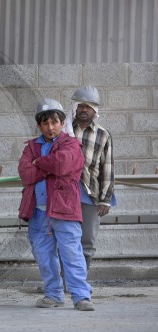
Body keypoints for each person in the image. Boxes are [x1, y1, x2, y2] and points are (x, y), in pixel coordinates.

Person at [18, 98, 94, 311]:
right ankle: (53, 295)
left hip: (64, 210)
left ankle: (81, 297)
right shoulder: (32, 147)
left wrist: (40, 164)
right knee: (44, 257)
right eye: (45, 123)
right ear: (39, 125)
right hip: (38, 213)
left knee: (72, 255)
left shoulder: (71, 145)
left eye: (54, 122)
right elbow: (25, 173)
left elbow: (63, 164)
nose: (50, 128)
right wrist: (48, 166)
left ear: (62, 123)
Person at [70, 86, 116, 270]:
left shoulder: (103, 135)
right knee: (64, 239)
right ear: (75, 108)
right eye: (80, 105)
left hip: (90, 194)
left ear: (95, 111)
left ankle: (80, 282)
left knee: (87, 241)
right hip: (65, 194)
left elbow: (108, 168)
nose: (83, 109)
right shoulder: (64, 129)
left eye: (88, 107)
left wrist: (105, 200)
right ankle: (62, 282)